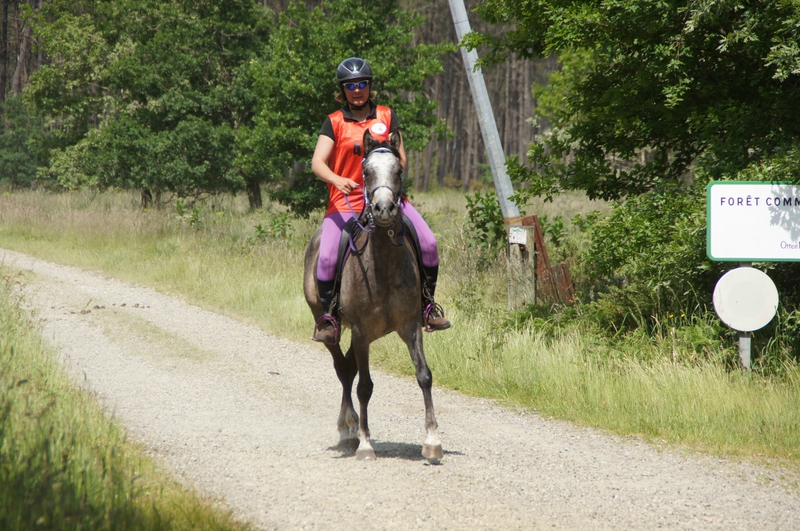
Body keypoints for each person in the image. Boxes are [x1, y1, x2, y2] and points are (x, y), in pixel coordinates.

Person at [310, 57, 451, 345]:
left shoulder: (386, 116)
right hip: (345, 202)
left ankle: (427, 305)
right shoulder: (334, 121)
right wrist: (337, 180)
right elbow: (317, 163)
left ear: (370, 86)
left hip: (387, 197)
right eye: (350, 85)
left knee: (428, 243)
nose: (357, 90)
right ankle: (329, 317)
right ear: (342, 90)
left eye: (362, 83)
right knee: (325, 258)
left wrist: (387, 177)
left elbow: (402, 158)